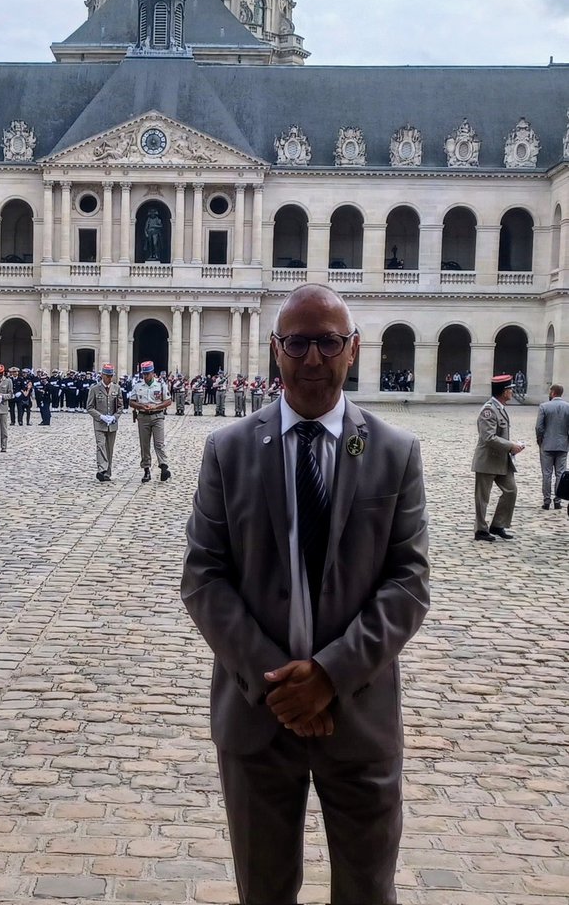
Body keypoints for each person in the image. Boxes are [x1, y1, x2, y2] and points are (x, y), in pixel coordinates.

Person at [182, 283, 429, 905]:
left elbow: (409, 581)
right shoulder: (229, 449)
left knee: (368, 889)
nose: (313, 358)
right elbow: (203, 576)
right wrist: (282, 685)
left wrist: (328, 675)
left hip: (359, 714)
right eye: (298, 342)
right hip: (256, 715)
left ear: (353, 349)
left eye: (328, 342)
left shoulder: (394, 452)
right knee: (263, 891)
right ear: (276, 349)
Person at [472, 373, 525, 542]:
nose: (512, 392)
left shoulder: (500, 408)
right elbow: (488, 437)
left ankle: (498, 524)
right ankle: (480, 530)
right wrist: (511, 446)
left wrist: (511, 448)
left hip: (502, 460)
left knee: (511, 491)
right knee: (482, 498)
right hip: (487, 460)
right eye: (510, 389)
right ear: (503, 392)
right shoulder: (489, 410)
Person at [129, 360, 172, 483]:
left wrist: (156, 407)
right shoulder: (138, 386)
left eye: (147, 374)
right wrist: (142, 407)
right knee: (145, 445)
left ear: (153, 373)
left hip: (157, 416)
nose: (145, 376)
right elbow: (131, 402)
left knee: (159, 443)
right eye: (144, 374)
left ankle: (164, 467)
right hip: (143, 417)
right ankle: (146, 470)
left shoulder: (160, 385)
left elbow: (168, 401)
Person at [86, 363, 124, 482]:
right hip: (99, 423)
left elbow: (120, 407)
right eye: (107, 376)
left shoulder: (117, 389)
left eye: (111, 376)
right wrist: (100, 416)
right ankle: (101, 469)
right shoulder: (94, 389)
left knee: (109, 448)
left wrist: (114, 417)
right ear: (102, 375)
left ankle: (107, 472)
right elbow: (90, 407)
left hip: (112, 424)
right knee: (100, 445)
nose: (109, 378)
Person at [535, 384, 569, 510]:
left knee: (547, 474)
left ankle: (547, 501)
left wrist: (540, 439)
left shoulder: (544, 406)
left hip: (547, 444)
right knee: (560, 473)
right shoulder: (568, 407)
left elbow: (539, 426)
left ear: (553, 393)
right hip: (562, 445)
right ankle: (558, 501)